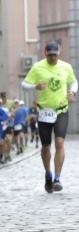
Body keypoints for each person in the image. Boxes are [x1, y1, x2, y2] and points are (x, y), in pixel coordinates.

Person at [22, 40, 77, 192]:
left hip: (61, 110)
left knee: (59, 143)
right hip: (44, 112)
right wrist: (35, 86)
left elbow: (74, 82)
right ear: (46, 53)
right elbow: (24, 85)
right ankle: (48, 174)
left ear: (59, 53)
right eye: (50, 55)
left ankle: (57, 178)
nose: (53, 58)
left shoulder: (66, 67)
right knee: (46, 146)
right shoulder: (37, 67)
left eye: (55, 55)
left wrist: (73, 92)